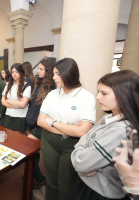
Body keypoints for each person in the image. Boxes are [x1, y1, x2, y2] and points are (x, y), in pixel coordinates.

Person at [70, 70, 139, 200]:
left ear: (124, 95)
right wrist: (85, 146)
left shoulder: (120, 130)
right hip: (90, 184)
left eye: (104, 93)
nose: (97, 97)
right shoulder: (109, 117)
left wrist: (81, 147)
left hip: (99, 192)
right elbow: (86, 135)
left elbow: (80, 162)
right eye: (98, 92)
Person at [37, 58, 96, 200]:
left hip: (71, 145)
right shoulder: (52, 94)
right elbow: (40, 121)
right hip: (49, 141)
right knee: (51, 182)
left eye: (57, 73)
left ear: (69, 73)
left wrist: (52, 121)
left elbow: (82, 131)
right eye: (53, 73)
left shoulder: (86, 97)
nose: (53, 77)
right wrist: (68, 128)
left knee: (66, 185)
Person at [25, 58, 56, 189]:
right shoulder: (39, 83)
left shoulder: (53, 89)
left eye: (41, 69)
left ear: (48, 71)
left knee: (27, 150)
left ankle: (39, 177)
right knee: (34, 152)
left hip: (40, 125)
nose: (38, 71)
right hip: (31, 121)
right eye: (38, 68)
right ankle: (32, 174)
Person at [0, 63, 31, 135]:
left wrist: (8, 100)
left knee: (17, 141)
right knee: (7, 139)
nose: (14, 74)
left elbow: (23, 105)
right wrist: (17, 105)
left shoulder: (26, 85)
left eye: (16, 72)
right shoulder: (8, 84)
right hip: (8, 116)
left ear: (21, 73)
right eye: (12, 72)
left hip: (19, 118)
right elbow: (3, 102)